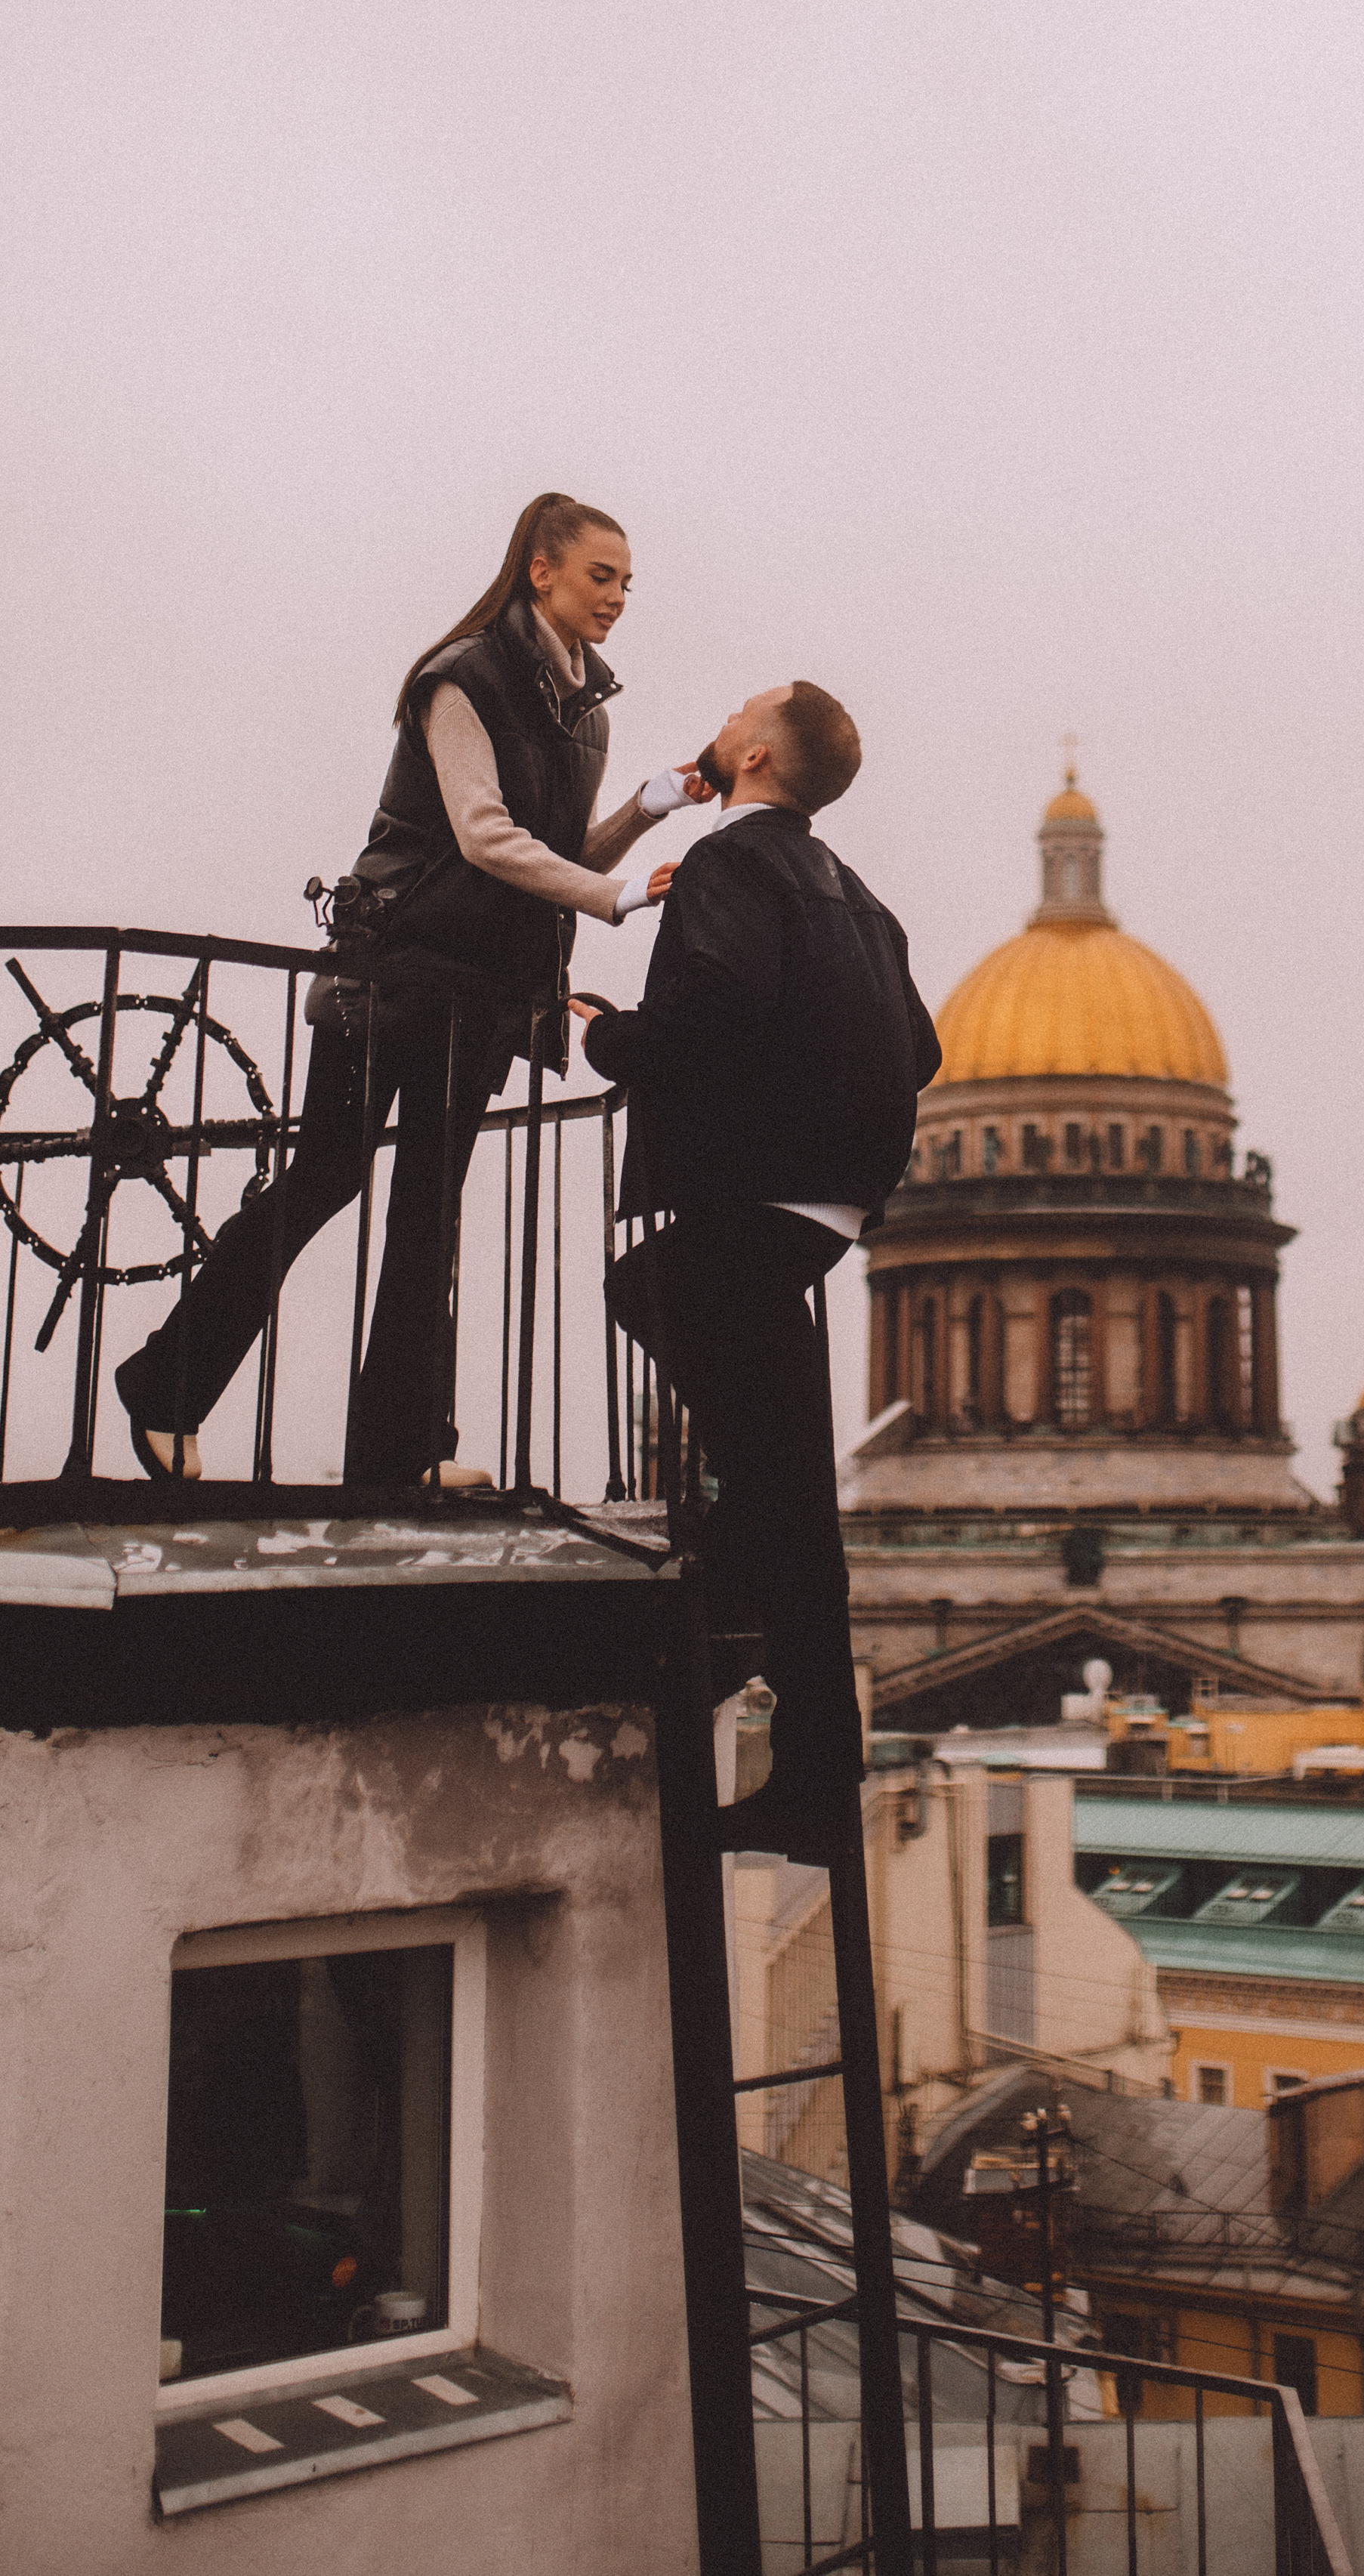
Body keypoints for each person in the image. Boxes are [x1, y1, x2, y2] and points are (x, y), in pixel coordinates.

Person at [116, 491, 707, 1490]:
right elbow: (485, 839)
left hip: (478, 991)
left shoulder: (584, 713)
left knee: (427, 1213)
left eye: (627, 584)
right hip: (394, 973)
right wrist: (611, 898)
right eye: (601, 576)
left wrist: (649, 809)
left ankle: (397, 1453)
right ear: (542, 570)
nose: (617, 598)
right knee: (328, 1178)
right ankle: (167, 1389)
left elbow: (546, 854)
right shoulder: (462, 677)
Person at [574, 682, 940, 1860]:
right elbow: (922, 1046)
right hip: (833, 1202)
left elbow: (714, 1005)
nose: (722, 719)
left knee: (651, 1294)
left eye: (739, 711)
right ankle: (817, 1783)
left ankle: (736, 1556)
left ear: (759, 751)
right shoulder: (857, 893)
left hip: (757, 1186)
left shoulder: (732, 865)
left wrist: (600, 1033)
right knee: (790, 1489)